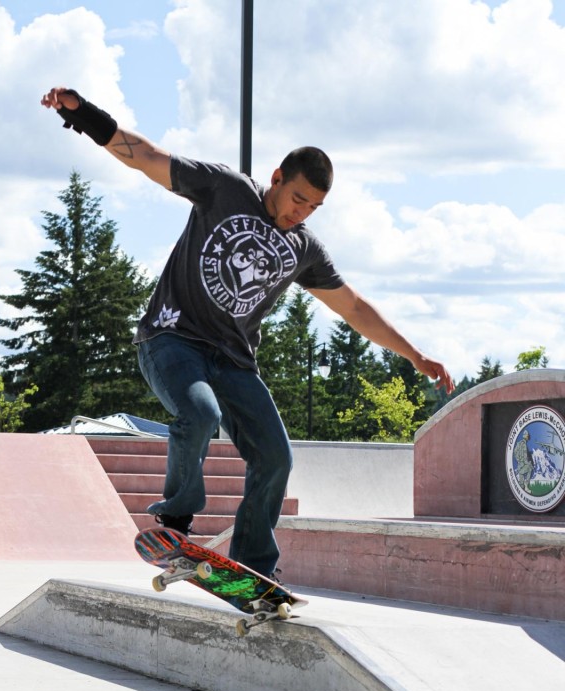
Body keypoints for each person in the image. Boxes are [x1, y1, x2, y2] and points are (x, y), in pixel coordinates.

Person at [41, 87, 455, 578]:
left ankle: (255, 565)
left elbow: (354, 307)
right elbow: (146, 156)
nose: (299, 213)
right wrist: (82, 113)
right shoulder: (223, 188)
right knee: (199, 412)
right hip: (171, 340)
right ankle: (175, 521)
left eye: (313, 208)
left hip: (234, 361)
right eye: (297, 198)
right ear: (277, 178)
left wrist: (413, 354)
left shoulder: (303, 249)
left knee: (275, 457)